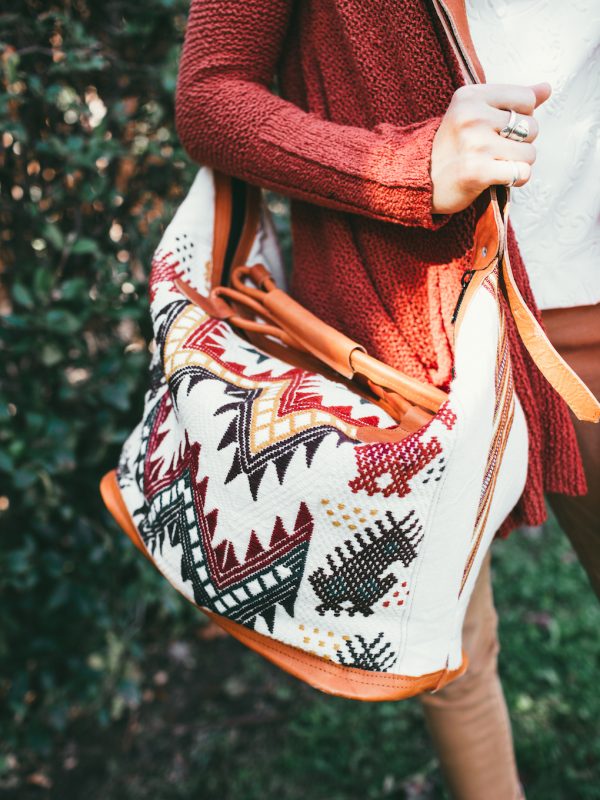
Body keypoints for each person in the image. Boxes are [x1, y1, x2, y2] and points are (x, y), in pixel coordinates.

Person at [174, 2, 596, 797]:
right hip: (412, 325)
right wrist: (406, 167)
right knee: (453, 651)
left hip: (591, 289)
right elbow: (210, 95)